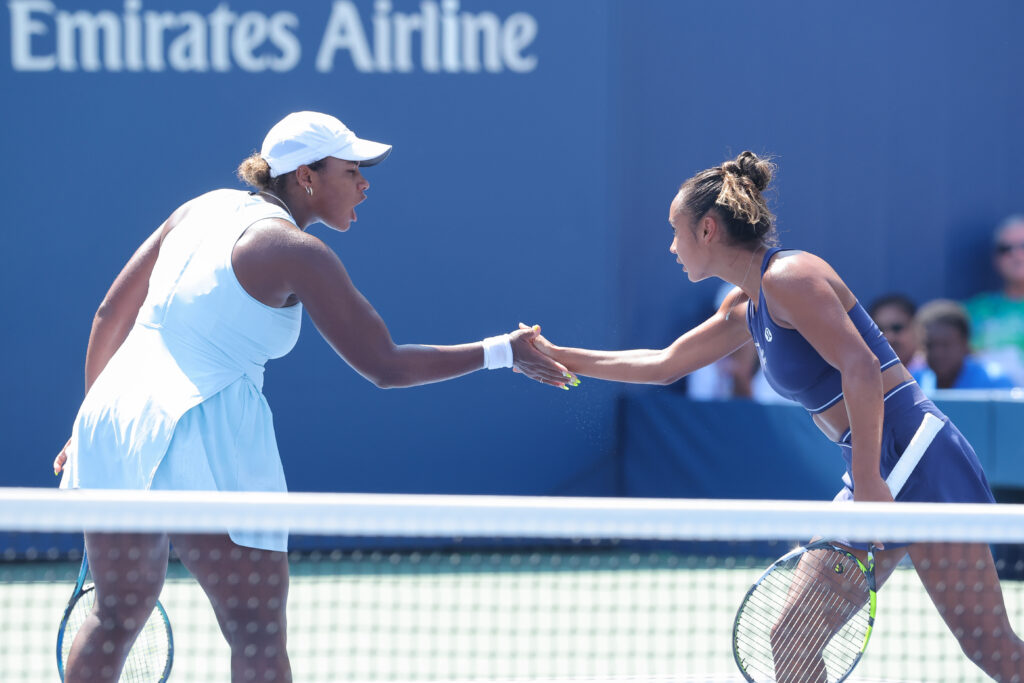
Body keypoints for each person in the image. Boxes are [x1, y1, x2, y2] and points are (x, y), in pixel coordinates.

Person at [51, 111, 571, 683]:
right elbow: (385, 366)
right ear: (305, 177)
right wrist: (503, 351)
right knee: (256, 627)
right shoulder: (297, 251)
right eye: (351, 171)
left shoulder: (198, 208)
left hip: (112, 414)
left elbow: (111, 315)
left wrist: (85, 426)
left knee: (116, 612)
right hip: (203, 423)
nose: (364, 184)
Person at [526, 151, 1024, 680]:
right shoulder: (748, 304)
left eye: (676, 231)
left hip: (915, 456)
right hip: (879, 462)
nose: (672, 246)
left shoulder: (791, 276)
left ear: (709, 229)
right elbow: (664, 365)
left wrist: (869, 479)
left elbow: (860, 366)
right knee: (793, 638)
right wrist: (555, 355)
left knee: (991, 651)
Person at [965, 215, 1024, 387]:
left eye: (1023, 246)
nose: (1016, 255)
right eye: (1006, 249)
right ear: (996, 259)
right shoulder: (974, 311)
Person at [913, 298, 1016, 394]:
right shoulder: (914, 384)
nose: (937, 353)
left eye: (946, 345)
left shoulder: (995, 383)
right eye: (930, 345)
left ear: (965, 344)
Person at [868, 293, 926, 376]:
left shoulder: (936, 374)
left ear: (917, 330)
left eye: (897, 328)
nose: (888, 337)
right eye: (879, 330)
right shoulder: (864, 377)